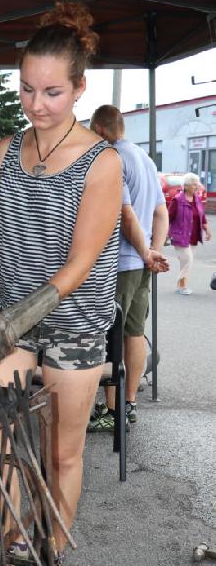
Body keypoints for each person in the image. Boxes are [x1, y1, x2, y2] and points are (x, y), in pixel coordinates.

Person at [0, 1, 122, 566]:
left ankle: (51, 561)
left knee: (63, 452)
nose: (37, 104)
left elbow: (77, 268)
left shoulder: (103, 162)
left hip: (72, 324)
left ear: (78, 89)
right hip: (11, 319)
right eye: (26, 89)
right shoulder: (2, 153)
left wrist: (18, 319)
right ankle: (10, 548)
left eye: (51, 92)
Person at [88, 105, 169, 428]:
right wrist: (153, 252)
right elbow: (161, 212)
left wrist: (145, 252)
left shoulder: (112, 158)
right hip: (142, 261)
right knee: (134, 333)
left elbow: (126, 214)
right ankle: (128, 404)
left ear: (99, 130)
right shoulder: (146, 159)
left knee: (113, 335)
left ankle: (112, 411)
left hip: (122, 262)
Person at [168, 172, 212, 295]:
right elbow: (168, 218)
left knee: (185, 263)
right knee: (188, 260)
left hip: (193, 237)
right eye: (194, 184)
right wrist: (165, 235)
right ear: (186, 186)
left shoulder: (197, 199)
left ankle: (181, 286)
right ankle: (182, 286)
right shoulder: (177, 200)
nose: (197, 186)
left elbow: (202, 216)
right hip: (180, 237)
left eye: (197, 184)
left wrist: (207, 230)